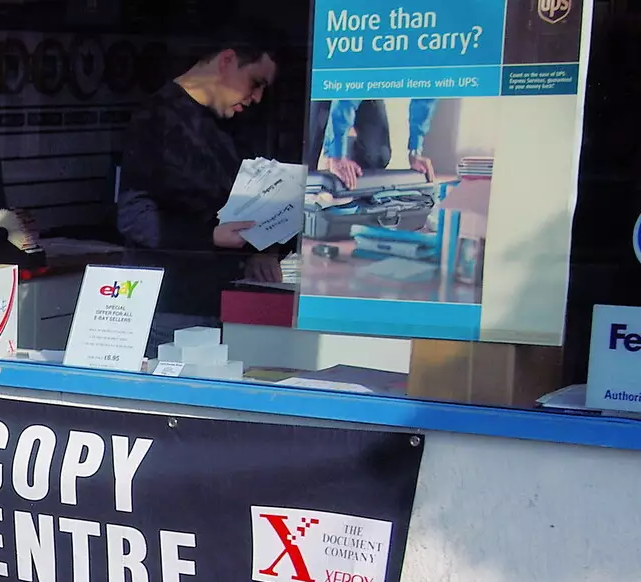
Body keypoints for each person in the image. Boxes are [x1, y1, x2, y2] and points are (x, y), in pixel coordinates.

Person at [116, 31, 286, 350]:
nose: (257, 97)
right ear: (227, 61)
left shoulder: (232, 122)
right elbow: (134, 217)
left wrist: (261, 248)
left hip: (222, 304)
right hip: (170, 308)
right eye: (256, 83)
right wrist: (211, 237)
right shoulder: (157, 120)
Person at [310, 98, 437, 189]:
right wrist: (336, 155)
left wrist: (415, 150)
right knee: (304, 157)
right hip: (324, 74)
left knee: (378, 156)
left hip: (363, 83)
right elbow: (346, 91)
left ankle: (349, 197)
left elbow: (425, 98)